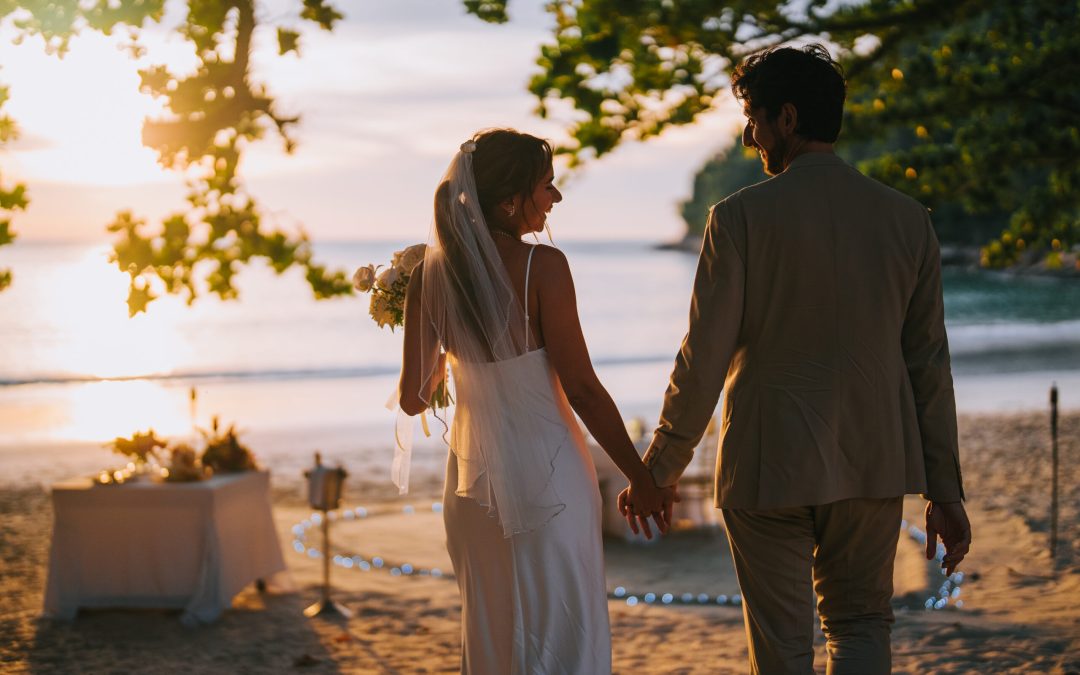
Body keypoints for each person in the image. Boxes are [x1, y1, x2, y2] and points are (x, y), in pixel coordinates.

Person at [620, 45, 972, 674]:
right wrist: (944, 490)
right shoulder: (907, 221)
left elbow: (704, 355)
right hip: (871, 461)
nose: (751, 136)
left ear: (786, 118)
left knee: (781, 647)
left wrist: (662, 468)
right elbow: (928, 365)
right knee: (862, 625)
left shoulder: (738, 218)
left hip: (766, 465)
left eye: (754, 118)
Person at [398, 128, 667, 674]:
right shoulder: (544, 267)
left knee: (492, 623)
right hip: (552, 480)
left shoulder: (429, 277)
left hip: (472, 487)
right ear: (508, 201)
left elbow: (413, 398)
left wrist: (453, 340)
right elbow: (584, 389)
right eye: (547, 185)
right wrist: (640, 475)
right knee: (563, 621)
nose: (556, 197)